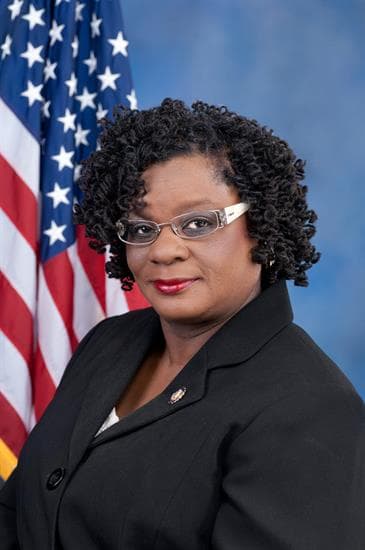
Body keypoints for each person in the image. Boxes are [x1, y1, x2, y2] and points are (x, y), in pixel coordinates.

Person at [1, 98, 365, 549]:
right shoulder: (110, 342)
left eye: (198, 223)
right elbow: (18, 513)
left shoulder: (309, 407)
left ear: (263, 227)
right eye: (140, 228)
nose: (163, 251)